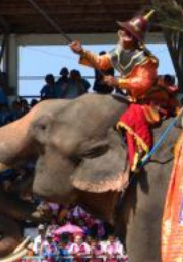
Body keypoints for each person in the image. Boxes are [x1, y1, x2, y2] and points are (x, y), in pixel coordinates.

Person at [70, 10, 174, 171]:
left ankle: (138, 155)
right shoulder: (118, 51)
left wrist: (118, 81)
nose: (124, 35)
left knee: (133, 116)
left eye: (129, 33)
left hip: (149, 99)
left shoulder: (146, 59)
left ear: (135, 39)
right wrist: (82, 52)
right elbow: (100, 62)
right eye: (124, 31)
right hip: (132, 96)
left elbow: (143, 83)